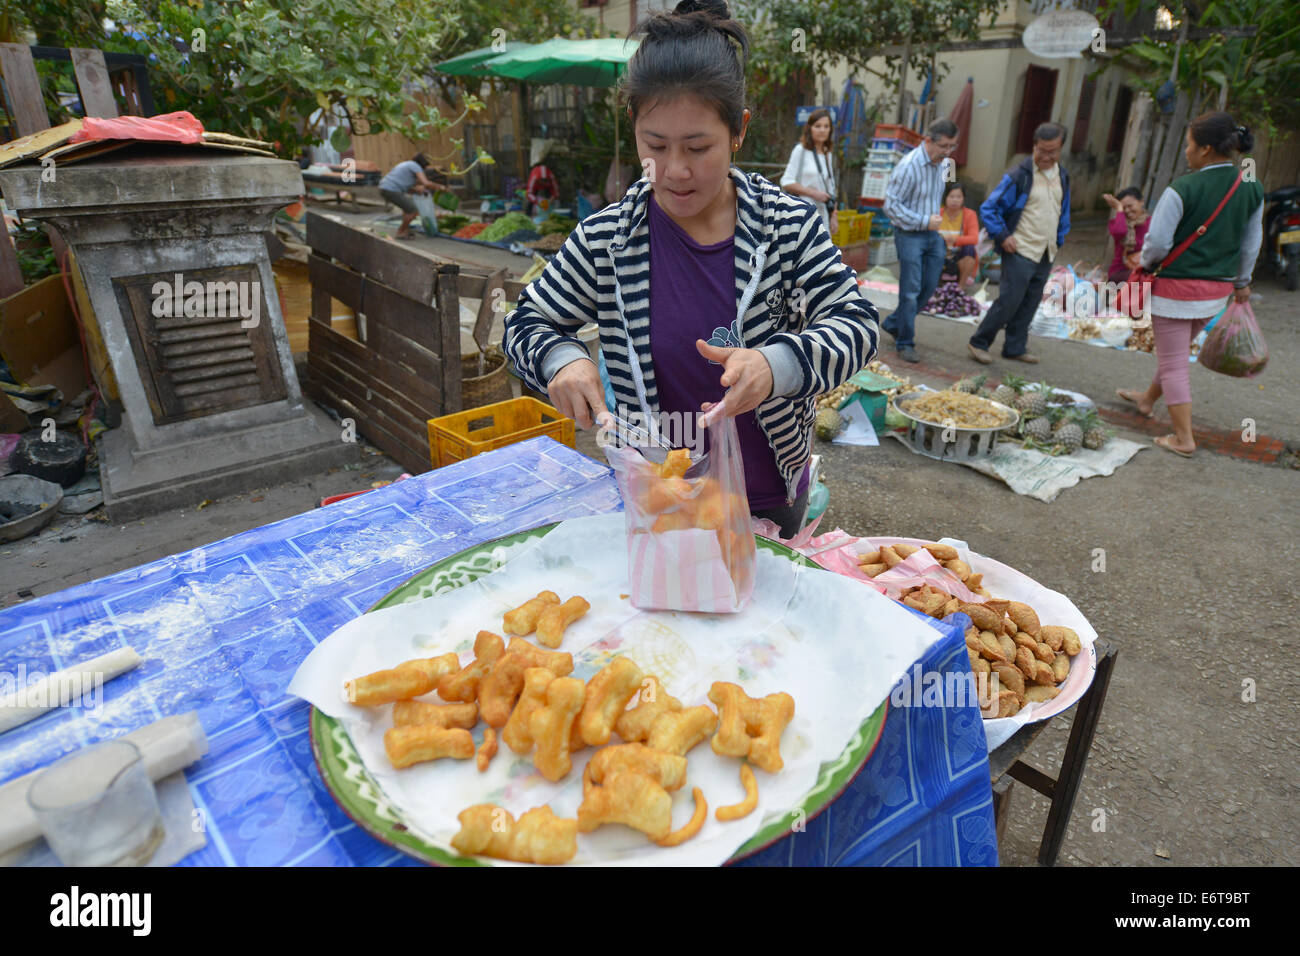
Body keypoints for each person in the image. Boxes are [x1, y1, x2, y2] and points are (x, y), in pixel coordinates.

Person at [502, 0, 878, 537]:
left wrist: (778, 364)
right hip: (656, 497)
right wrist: (562, 360)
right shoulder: (610, 239)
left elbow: (857, 326)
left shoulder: (787, 228)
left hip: (766, 497)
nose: (675, 171)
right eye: (655, 146)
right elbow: (526, 323)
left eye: (699, 147)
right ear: (634, 128)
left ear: (739, 131)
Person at [1116, 112, 1264, 458]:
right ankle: (1146, 400)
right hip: (1216, 294)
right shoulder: (1251, 184)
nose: (1186, 152)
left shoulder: (1183, 187)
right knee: (1176, 354)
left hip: (1175, 292)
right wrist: (1243, 281)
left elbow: (1157, 244)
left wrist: (1147, 263)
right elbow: (1251, 242)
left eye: (1189, 145)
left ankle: (1183, 438)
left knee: (1173, 364)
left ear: (1207, 149)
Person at [967, 123, 1072, 365]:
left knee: (1030, 302)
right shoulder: (1019, 176)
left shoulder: (1062, 176)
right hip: (1020, 248)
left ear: (1060, 149)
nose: (1046, 157)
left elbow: (1062, 211)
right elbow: (989, 209)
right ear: (1033, 146)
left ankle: (1014, 347)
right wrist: (1003, 236)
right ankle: (979, 342)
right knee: (1009, 300)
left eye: (1052, 152)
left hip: (1046, 250)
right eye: (1041, 150)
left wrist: (1059, 238)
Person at [880, 118, 959, 363]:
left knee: (930, 285)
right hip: (909, 233)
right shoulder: (908, 166)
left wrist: (941, 222)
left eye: (952, 146)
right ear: (928, 141)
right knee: (911, 290)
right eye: (944, 146)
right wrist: (925, 221)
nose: (948, 152)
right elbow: (890, 206)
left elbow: (945, 191)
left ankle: (894, 323)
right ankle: (905, 342)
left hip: (933, 233)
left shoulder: (947, 163)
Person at [780, 108, 839, 237]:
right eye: (818, 126)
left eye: (826, 126)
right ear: (810, 128)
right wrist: (814, 194)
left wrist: (834, 215)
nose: (822, 130)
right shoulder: (800, 150)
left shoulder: (826, 153)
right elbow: (786, 181)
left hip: (822, 215)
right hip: (802, 214)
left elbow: (831, 187)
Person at [378, 153, 448, 239]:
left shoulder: (407, 164)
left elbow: (404, 185)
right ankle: (400, 232)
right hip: (390, 189)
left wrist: (415, 191)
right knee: (412, 210)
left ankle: (405, 230)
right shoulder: (415, 166)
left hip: (384, 187)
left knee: (407, 208)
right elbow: (426, 183)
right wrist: (441, 187)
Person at [938, 181, 980, 289]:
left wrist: (955, 240)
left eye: (958, 197)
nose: (955, 200)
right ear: (945, 198)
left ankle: (961, 287)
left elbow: (974, 238)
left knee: (970, 250)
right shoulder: (938, 213)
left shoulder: (970, 214)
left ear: (963, 199)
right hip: (940, 252)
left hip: (958, 254)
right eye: (951, 196)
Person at [1103, 186, 1150, 283]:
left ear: (1141, 202)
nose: (1127, 211)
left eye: (1130, 206)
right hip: (1120, 272)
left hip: (1143, 269)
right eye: (1124, 208)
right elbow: (1120, 232)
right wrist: (1119, 209)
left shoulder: (1151, 223)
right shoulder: (1116, 223)